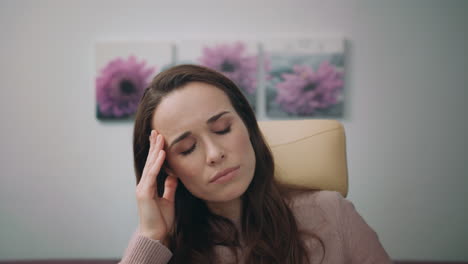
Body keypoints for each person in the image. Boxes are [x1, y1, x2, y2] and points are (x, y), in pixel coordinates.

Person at [120, 64, 392, 264]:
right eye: (188, 148)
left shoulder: (332, 213)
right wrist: (153, 236)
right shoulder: (157, 242)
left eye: (223, 128)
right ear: (167, 167)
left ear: (247, 126)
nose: (214, 154)